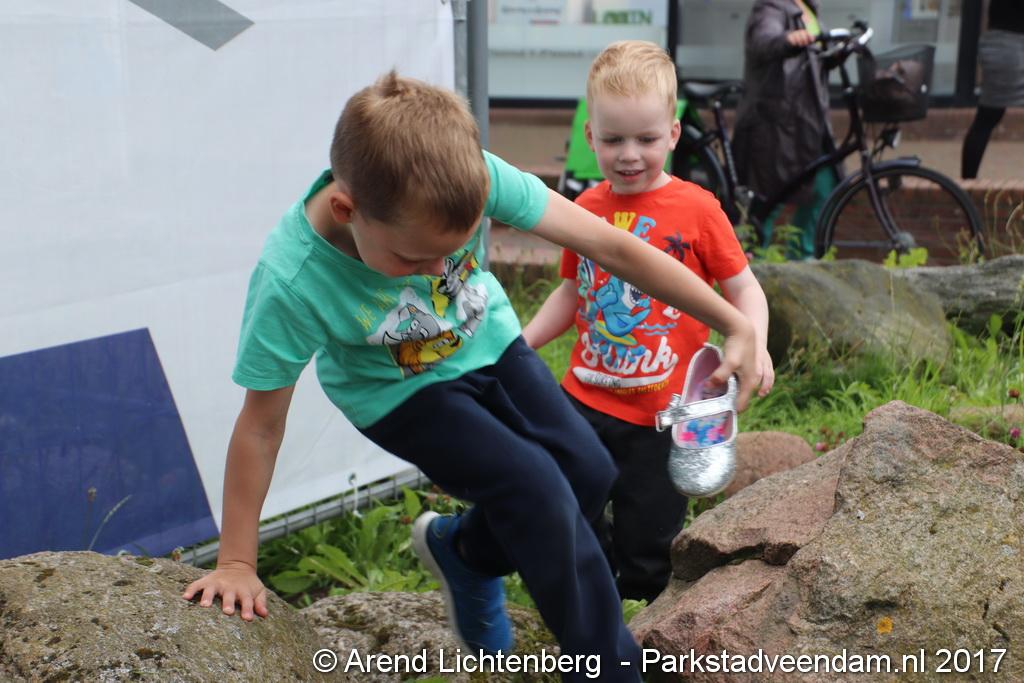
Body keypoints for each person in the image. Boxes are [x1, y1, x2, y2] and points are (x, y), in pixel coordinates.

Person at [180, 71, 760, 681]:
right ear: (347, 211)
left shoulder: (466, 171)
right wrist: (237, 561)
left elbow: (610, 247)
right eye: (414, 258)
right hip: (396, 390)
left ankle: (464, 553)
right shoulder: (293, 280)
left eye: (452, 251)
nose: (437, 273)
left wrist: (732, 320)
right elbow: (261, 425)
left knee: (588, 470)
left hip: (488, 339)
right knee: (537, 488)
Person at [522, 41, 774, 603]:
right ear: (590, 136)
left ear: (674, 133)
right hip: (582, 400)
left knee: (650, 543)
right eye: (613, 140)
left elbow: (743, 288)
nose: (629, 155)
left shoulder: (698, 210)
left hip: (663, 415)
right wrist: (521, 343)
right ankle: (591, 601)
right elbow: (572, 292)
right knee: (569, 512)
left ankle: (646, 623)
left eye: (646, 139)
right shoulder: (584, 210)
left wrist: (753, 340)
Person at [732, 0, 839, 260]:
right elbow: (763, 40)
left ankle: (801, 255)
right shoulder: (770, 7)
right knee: (771, 197)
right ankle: (756, 262)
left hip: (809, 121)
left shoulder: (808, 7)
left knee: (826, 185)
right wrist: (787, 39)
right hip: (778, 122)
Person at [961, 0, 1024, 179]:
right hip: (1011, 47)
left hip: (999, 45)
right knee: (987, 118)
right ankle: (967, 185)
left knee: (986, 118)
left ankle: (967, 184)